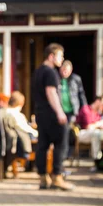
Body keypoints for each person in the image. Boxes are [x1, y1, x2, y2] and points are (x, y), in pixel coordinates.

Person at [31, 43, 74, 191]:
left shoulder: (38, 71)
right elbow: (51, 93)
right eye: (60, 56)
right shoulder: (50, 72)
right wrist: (60, 112)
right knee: (61, 143)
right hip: (51, 114)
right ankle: (57, 176)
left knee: (42, 145)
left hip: (40, 113)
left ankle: (43, 178)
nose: (62, 59)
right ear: (51, 56)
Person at [76, 96, 103, 162]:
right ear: (97, 101)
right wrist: (98, 124)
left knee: (98, 133)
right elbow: (88, 127)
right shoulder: (86, 109)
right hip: (82, 133)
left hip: (94, 134)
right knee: (96, 133)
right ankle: (96, 160)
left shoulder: (98, 114)